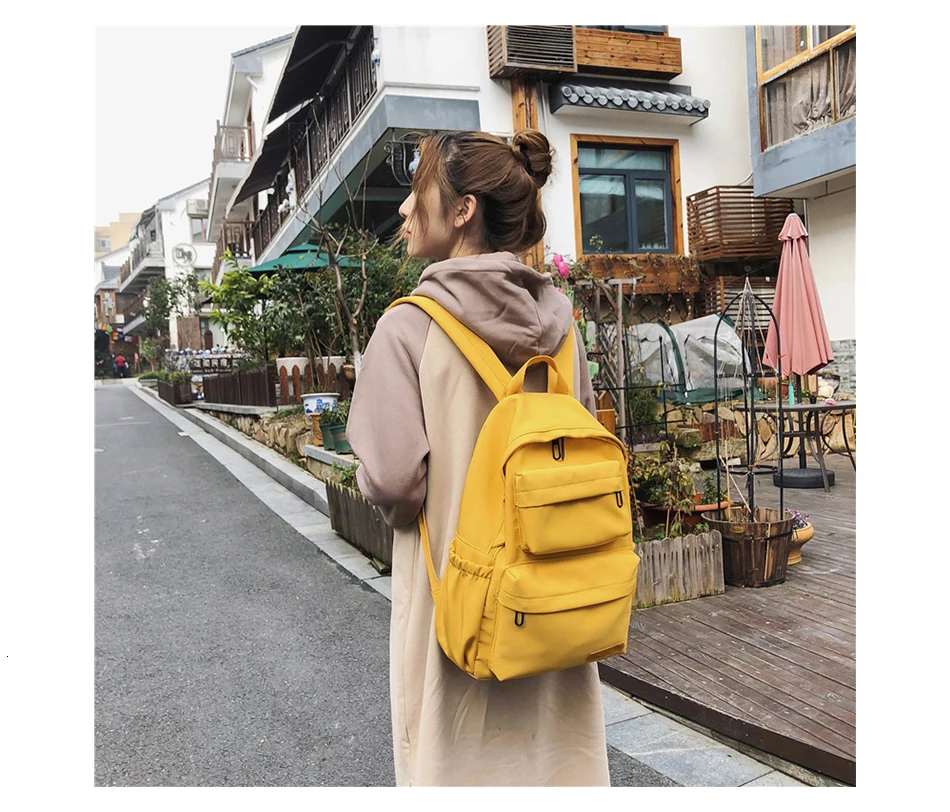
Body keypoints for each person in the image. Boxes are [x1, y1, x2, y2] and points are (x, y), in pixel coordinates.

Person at [347, 129, 608, 787]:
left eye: (417, 192)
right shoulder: (564, 329)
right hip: (553, 604)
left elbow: (394, 482)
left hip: (456, 612)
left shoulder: (408, 328)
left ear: (463, 209)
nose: (405, 209)